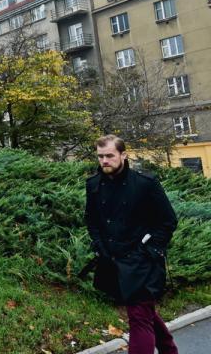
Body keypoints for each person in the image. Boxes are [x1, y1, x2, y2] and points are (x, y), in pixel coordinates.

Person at [85, 134, 178, 354]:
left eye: (110, 155)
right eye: (100, 156)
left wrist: (150, 249)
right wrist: (100, 247)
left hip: (143, 263)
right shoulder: (94, 184)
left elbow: (168, 221)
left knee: (139, 318)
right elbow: (92, 220)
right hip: (113, 261)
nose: (104, 161)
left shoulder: (145, 184)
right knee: (143, 312)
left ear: (123, 155)